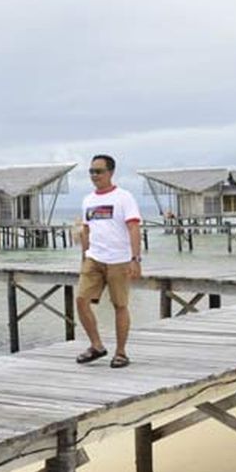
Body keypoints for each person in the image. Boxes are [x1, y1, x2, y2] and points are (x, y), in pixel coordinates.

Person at [75, 154, 142, 368]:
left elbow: (133, 227)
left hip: (119, 260)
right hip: (94, 258)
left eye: (99, 171)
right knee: (81, 300)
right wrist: (84, 256)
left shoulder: (124, 197)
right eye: (91, 171)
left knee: (119, 305)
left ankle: (121, 352)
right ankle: (96, 345)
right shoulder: (88, 200)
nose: (95, 175)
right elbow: (86, 229)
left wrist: (135, 259)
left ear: (110, 172)